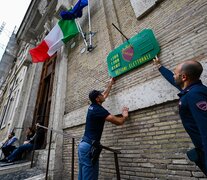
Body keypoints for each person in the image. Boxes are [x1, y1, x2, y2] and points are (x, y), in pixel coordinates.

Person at [153, 56, 207, 176]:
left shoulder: (195, 95)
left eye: (175, 73)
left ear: (184, 77)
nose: (173, 75)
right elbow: (174, 81)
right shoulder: (191, 89)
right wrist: (159, 66)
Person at [78, 78, 129, 180]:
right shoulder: (98, 110)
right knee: (90, 177)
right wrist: (124, 116)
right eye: (100, 95)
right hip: (89, 148)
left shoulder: (93, 106)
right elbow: (118, 122)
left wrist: (110, 84)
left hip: (83, 145)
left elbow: (104, 95)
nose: (103, 95)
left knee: (83, 176)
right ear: (97, 99)